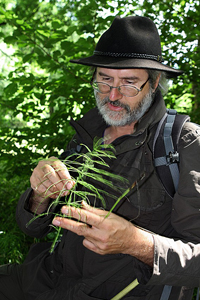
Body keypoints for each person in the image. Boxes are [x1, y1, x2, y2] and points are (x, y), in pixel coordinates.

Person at [1, 15, 200, 300]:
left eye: (129, 83)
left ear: (154, 82)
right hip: (42, 280)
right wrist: (39, 196)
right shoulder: (86, 135)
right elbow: (30, 227)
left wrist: (137, 243)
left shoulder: (183, 143)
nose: (113, 95)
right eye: (105, 80)